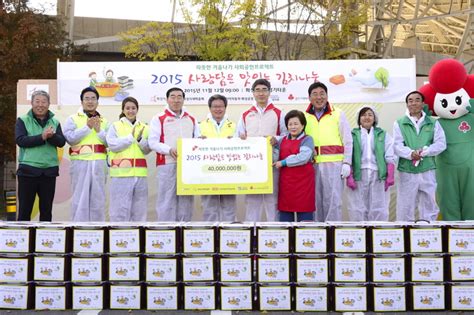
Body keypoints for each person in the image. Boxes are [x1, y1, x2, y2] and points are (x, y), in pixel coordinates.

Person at [236, 79, 287, 221]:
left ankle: (274, 233)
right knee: (252, 200)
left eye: (264, 89)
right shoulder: (246, 114)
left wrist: (276, 139)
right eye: (257, 90)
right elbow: (239, 135)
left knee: (272, 199)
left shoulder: (279, 113)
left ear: (269, 92)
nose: (261, 93)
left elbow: (286, 135)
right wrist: (241, 138)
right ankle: (252, 234)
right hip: (251, 165)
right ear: (253, 93)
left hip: (272, 163)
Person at [393, 91, 447, 221]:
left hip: (427, 169)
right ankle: (405, 233)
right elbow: (396, 145)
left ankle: (428, 233)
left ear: (423, 103)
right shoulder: (399, 123)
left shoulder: (433, 123)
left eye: (417, 100)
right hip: (407, 170)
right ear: (407, 104)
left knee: (429, 202)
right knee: (405, 204)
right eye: (410, 101)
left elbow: (441, 143)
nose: (414, 103)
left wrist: (425, 151)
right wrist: (410, 154)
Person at [149, 87, 199, 221]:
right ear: (167, 99)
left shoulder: (191, 119)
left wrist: (201, 143)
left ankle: (184, 232)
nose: (176, 100)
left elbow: (197, 140)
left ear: (183, 99)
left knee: (186, 200)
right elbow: (152, 142)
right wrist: (169, 150)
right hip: (166, 164)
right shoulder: (159, 118)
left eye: (179, 97)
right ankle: (167, 233)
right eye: (173, 97)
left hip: (187, 166)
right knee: (166, 199)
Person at [304, 82, 352, 221]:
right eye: (315, 94)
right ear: (309, 97)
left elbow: (347, 139)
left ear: (327, 95)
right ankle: (318, 233)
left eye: (322, 94)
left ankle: (333, 233)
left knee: (333, 201)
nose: (319, 97)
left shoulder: (338, 114)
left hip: (334, 164)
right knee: (314, 201)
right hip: (311, 165)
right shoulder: (304, 116)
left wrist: (347, 162)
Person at [15, 90, 66, 221]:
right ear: (31, 103)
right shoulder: (23, 120)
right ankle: (24, 240)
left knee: (46, 211)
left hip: (49, 172)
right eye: (37, 101)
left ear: (49, 104)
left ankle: (46, 241)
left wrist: (51, 136)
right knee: (25, 211)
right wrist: (42, 137)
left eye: (44, 102)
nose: (40, 105)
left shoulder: (55, 122)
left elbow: (61, 142)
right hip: (28, 172)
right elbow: (21, 141)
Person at [63, 87, 109, 221]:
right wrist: (87, 127)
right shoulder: (73, 119)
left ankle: (98, 231)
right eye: (87, 98)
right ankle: (78, 230)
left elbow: (110, 142)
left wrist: (99, 130)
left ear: (98, 102)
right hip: (80, 163)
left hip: (99, 164)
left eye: (93, 98)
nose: (90, 101)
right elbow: (70, 138)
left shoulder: (104, 121)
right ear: (81, 101)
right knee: (80, 197)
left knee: (98, 198)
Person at [346, 106, 395, 221]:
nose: (366, 117)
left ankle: (377, 235)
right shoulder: (352, 134)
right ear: (359, 118)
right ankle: (360, 235)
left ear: (374, 118)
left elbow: (390, 152)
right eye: (363, 115)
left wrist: (390, 173)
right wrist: (349, 175)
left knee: (379, 206)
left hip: (378, 174)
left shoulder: (382, 134)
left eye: (370, 114)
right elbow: (347, 153)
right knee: (357, 207)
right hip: (358, 174)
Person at [106, 97, 151, 222]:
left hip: (140, 175)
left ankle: (138, 238)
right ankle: (118, 237)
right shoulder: (115, 126)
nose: (130, 111)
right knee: (119, 209)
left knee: (139, 210)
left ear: (137, 109)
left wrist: (140, 140)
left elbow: (147, 150)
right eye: (127, 108)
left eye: (133, 108)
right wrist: (130, 138)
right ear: (123, 110)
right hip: (121, 174)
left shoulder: (144, 127)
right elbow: (112, 145)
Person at [199, 94, 237, 221]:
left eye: (221, 106)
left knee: (229, 207)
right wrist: (197, 141)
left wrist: (239, 141)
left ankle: (229, 237)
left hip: (229, 171)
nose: (218, 109)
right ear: (209, 108)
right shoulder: (200, 125)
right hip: (207, 172)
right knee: (209, 207)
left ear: (225, 108)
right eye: (215, 106)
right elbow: (193, 146)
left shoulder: (234, 125)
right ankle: (210, 237)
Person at [273, 110, 315, 222]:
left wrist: (283, 162)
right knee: (285, 222)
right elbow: (274, 156)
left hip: (304, 185)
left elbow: (303, 157)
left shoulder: (307, 139)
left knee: (305, 222)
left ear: (303, 125)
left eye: (296, 124)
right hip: (286, 185)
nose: (293, 127)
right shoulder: (281, 140)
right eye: (290, 124)